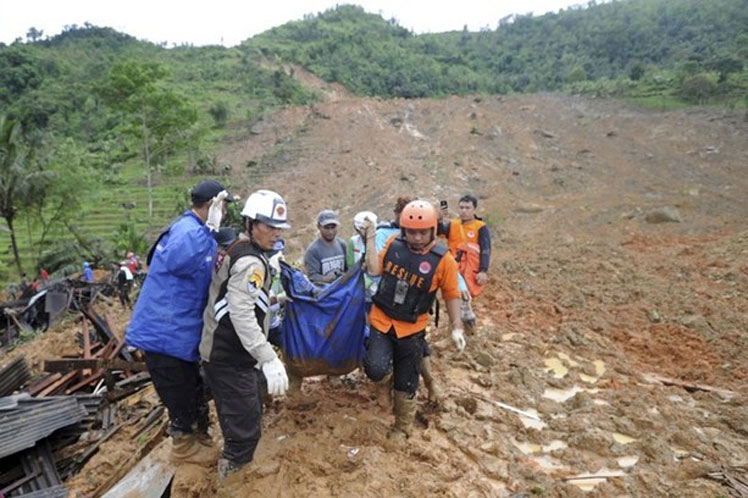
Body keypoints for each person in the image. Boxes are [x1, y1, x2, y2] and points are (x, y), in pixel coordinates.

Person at [125, 179, 232, 464]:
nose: (226, 212)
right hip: (165, 332)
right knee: (180, 394)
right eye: (223, 206)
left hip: (180, 333)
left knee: (193, 389)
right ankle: (184, 448)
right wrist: (209, 229)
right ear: (211, 206)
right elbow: (177, 261)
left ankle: (199, 439)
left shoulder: (200, 233)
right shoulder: (189, 231)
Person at [200, 189, 291, 479]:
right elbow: (240, 313)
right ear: (251, 223)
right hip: (229, 356)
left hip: (227, 352)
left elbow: (244, 301)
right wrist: (268, 357)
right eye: (269, 226)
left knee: (247, 411)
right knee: (244, 432)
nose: (275, 233)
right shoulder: (251, 263)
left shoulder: (242, 247)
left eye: (279, 228)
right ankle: (233, 481)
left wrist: (275, 299)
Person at [362, 200, 466, 438]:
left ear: (432, 230)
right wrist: (369, 237)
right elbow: (374, 270)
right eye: (411, 232)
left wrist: (456, 328)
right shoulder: (393, 244)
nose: (416, 237)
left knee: (407, 381)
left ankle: (402, 427)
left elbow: (451, 294)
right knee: (375, 368)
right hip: (381, 320)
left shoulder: (443, 261)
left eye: (422, 232)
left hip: (412, 328)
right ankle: (384, 386)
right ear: (403, 230)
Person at [438, 194, 491, 299]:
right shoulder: (453, 224)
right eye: (461, 207)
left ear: (474, 210)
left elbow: (486, 249)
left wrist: (483, 270)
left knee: (468, 296)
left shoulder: (480, 226)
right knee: (452, 295)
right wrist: (439, 220)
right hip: (452, 266)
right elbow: (439, 232)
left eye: (467, 208)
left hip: (470, 269)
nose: (464, 211)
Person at [303, 209, 347, 285]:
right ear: (319, 227)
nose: (330, 231)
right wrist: (325, 279)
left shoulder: (342, 244)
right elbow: (312, 277)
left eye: (333, 227)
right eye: (326, 228)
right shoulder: (313, 251)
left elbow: (348, 269)